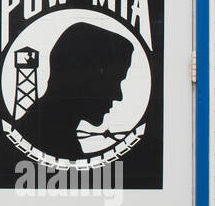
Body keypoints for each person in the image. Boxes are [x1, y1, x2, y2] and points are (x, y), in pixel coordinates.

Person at [15, 21, 133, 161]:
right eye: (112, 81)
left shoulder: (30, 136)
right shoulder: (56, 146)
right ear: (81, 78)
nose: (118, 96)